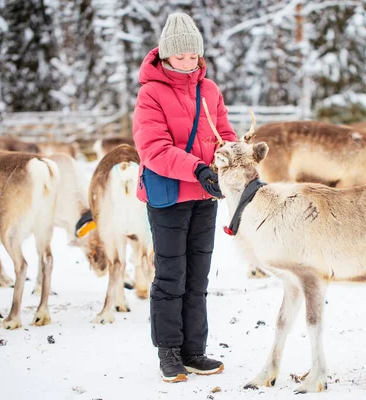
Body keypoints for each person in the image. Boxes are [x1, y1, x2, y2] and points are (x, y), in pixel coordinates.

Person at [132, 12, 238, 383]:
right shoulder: (151, 93)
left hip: (205, 194)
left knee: (198, 276)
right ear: (165, 55)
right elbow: (154, 148)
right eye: (181, 57)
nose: (189, 63)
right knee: (171, 275)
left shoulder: (208, 90)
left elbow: (223, 133)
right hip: (169, 195)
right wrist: (197, 169)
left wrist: (233, 159)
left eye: (194, 56)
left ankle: (195, 351)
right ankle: (170, 352)